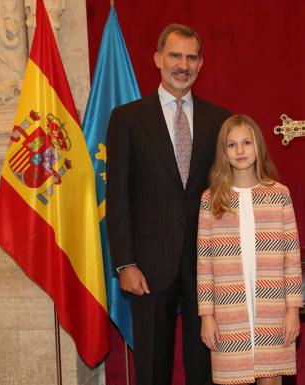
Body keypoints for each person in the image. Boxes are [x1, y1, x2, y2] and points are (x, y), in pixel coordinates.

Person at [106, 23, 230, 385]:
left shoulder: (219, 119)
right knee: (152, 369)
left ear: (201, 63)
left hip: (206, 265)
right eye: (175, 55)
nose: (183, 64)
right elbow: (118, 198)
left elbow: (225, 192)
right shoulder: (127, 119)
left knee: (205, 367)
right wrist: (125, 263)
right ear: (158, 59)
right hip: (148, 264)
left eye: (191, 57)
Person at [197, 114, 303, 385]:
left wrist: (293, 310)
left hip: (272, 310)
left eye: (247, 142)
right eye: (231, 145)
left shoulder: (279, 194)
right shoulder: (211, 200)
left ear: (259, 147)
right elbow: (204, 265)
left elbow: (291, 258)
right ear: (223, 152)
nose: (240, 150)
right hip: (228, 312)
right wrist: (206, 316)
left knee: (271, 378)